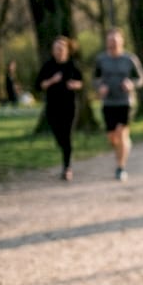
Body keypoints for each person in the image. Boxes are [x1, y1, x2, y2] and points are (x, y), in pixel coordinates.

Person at [94, 27, 143, 181]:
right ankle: (123, 148)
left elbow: (142, 78)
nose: (113, 44)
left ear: (122, 41)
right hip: (108, 102)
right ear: (107, 43)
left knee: (121, 132)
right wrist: (99, 87)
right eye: (110, 41)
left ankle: (120, 167)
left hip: (125, 102)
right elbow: (95, 79)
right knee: (112, 137)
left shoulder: (130, 59)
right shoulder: (101, 59)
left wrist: (132, 84)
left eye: (116, 41)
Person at [36, 36, 85, 181]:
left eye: (61, 48)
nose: (59, 51)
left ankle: (67, 168)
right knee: (59, 136)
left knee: (67, 136)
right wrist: (52, 80)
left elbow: (81, 83)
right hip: (52, 106)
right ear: (52, 51)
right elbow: (39, 86)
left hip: (69, 106)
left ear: (67, 50)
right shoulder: (48, 66)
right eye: (56, 48)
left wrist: (74, 85)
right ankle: (65, 150)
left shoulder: (72, 66)